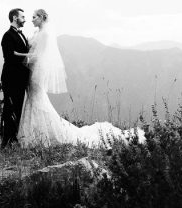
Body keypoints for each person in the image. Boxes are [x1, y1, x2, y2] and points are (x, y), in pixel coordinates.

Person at [16, 9, 145, 148]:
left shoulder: (46, 34)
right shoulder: (37, 33)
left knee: (37, 99)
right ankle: (33, 134)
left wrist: (17, 54)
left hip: (37, 71)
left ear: (41, 18)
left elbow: (38, 55)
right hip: (32, 70)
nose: (32, 19)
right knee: (33, 100)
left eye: (34, 17)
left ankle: (40, 134)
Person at [0, 8, 31, 148]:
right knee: (9, 108)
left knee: (17, 108)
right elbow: (10, 56)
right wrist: (29, 56)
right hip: (11, 78)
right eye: (22, 17)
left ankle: (14, 138)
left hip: (21, 79)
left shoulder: (22, 35)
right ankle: (6, 140)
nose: (25, 19)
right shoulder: (7, 36)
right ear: (14, 18)